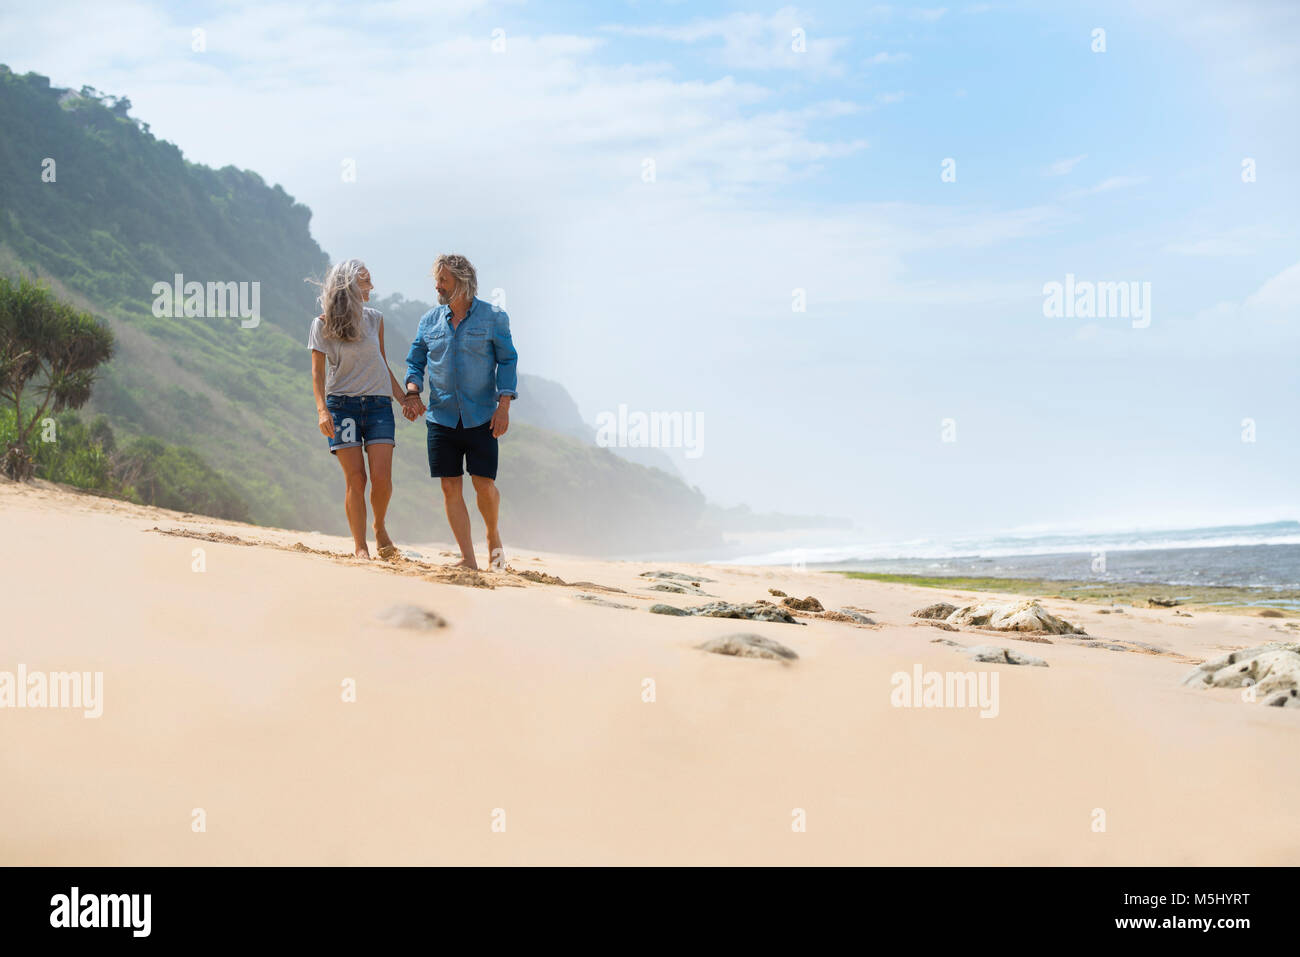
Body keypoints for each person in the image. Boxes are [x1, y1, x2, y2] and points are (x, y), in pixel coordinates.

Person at [404, 254, 518, 570]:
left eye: (443, 280)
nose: (437, 286)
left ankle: (493, 537)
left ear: (462, 282)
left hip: (482, 416)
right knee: (449, 486)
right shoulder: (429, 321)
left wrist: (503, 406)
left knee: (484, 485)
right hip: (441, 417)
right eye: (437, 280)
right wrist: (413, 391)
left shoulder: (494, 318)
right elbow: (415, 361)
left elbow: (508, 360)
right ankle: (468, 559)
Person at [308, 259, 425, 559]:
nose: (371, 287)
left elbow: (382, 365)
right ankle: (360, 546)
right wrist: (322, 410)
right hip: (341, 406)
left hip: (378, 406)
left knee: (382, 479)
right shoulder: (322, 323)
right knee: (356, 480)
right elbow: (318, 374)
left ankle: (379, 526)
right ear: (349, 285)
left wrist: (404, 400)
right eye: (366, 281)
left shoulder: (375, 319)